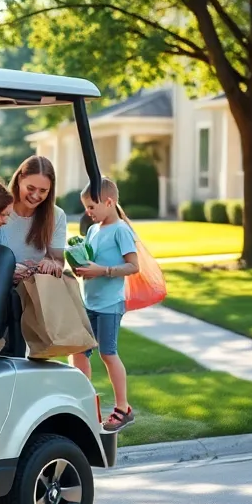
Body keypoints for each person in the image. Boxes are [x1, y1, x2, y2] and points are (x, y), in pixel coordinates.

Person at [70, 177, 140, 432]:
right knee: (78, 351)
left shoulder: (121, 230)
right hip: (90, 300)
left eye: (91, 207)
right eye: (87, 208)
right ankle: (82, 403)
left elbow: (134, 266)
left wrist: (104, 271)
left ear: (109, 202)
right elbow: (90, 261)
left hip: (109, 304)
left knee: (107, 353)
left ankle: (123, 408)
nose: (88, 212)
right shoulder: (93, 229)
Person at [2, 155, 67, 282]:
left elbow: (59, 262)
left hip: (34, 292)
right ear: (20, 179)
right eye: (30, 188)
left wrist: (50, 263)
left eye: (43, 191)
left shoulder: (56, 215)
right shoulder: (0, 209)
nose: (35, 196)